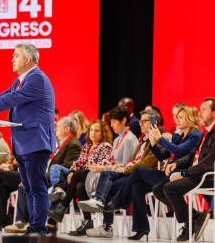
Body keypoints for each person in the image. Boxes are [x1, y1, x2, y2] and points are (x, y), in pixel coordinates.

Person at [0, 43, 56, 235]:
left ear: (28, 59)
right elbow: (4, 95)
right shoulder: (20, 80)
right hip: (24, 143)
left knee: (36, 187)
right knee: (29, 188)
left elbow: (12, 99)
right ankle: (35, 227)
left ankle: (38, 229)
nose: (12, 59)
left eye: (15, 56)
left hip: (36, 142)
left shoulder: (37, 78)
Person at [99, 106, 202, 240]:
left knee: (138, 170)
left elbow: (178, 151)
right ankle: (141, 228)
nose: (177, 120)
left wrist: (160, 139)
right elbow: (162, 156)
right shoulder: (178, 135)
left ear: (190, 118)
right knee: (137, 187)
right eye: (177, 117)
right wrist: (153, 144)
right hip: (168, 172)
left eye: (180, 117)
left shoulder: (195, 135)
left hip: (181, 174)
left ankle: (117, 203)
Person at [80, 110, 159, 238]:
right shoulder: (140, 140)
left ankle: (104, 207)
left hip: (144, 175)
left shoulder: (136, 139)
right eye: (140, 120)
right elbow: (134, 161)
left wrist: (120, 168)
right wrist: (118, 167)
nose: (140, 123)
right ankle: (135, 227)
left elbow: (145, 163)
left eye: (144, 121)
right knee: (106, 179)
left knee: (106, 177)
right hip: (132, 173)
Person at [5, 116, 82, 234]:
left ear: (67, 129)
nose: (55, 129)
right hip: (48, 176)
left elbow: (66, 167)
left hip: (59, 180)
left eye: (59, 126)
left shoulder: (73, 144)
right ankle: (21, 221)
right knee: (23, 186)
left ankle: (33, 222)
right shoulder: (59, 143)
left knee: (31, 185)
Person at [153, 98, 215, 242]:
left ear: (214, 113)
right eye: (200, 109)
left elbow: (207, 164)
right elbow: (192, 155)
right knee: (158, 189)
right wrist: (177, 164)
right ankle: (194, 217)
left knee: (169, 189)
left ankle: (189, 222)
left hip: (205, 176)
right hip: (195, 174)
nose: (200, 113)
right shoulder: (205, 133)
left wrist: (182, 173)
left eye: (204, 110)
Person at [48, 119, 113, 236]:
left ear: (103, 133)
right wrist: (72, 171)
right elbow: (77, 163)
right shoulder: (86, 146)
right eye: (91, 130)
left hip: (97, 177)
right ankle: (87, 222)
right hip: (84, 177)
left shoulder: (106, 146)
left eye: (97, 130)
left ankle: (63, 206)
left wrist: (77, 171)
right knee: (78, 186)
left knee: (78, 174)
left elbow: (103, 164)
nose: (93, 133)